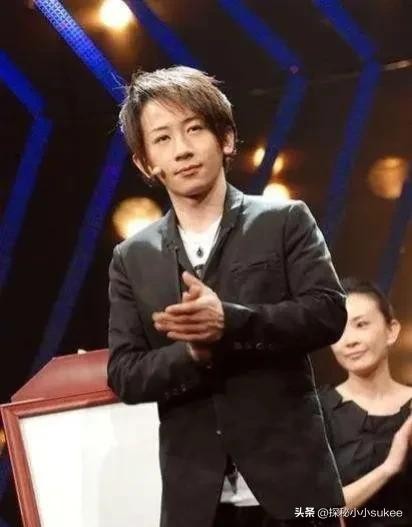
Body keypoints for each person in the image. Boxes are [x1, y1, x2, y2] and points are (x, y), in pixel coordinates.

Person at [107, 66, 347, 527]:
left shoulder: (284, 220)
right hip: (197, 502)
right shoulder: (131, 258)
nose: (182, 149)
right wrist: (192, 353)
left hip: (294, 489)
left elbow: (327, 312)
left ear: (227, 139)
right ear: (145, 163)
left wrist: (231, 322)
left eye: (194, 128)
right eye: (162, 138)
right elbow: (125, 374)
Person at [319, 278, 412, 526]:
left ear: (391, 331)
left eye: (361, 325)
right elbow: (312, 512)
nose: (349, 340)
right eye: (338, 330)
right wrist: (388, 468)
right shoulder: (316, 412)